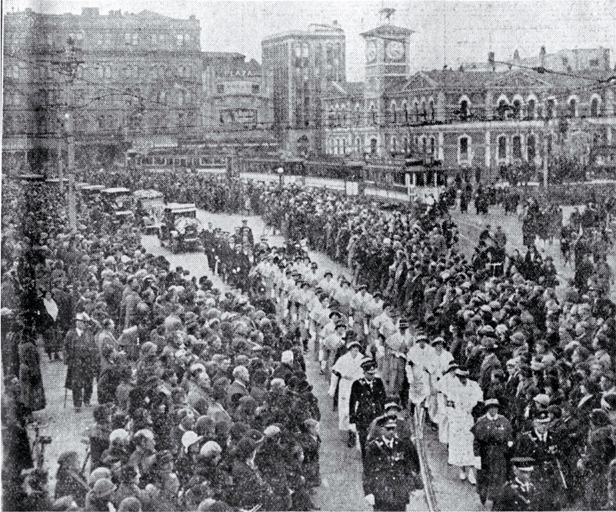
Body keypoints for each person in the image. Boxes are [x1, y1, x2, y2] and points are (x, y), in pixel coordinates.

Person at [363, 416, 421, 511]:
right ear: (381, 429)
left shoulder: (401, 445)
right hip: (381, 493)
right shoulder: (374, 447)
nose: (391, 431)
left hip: (399, 493)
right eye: (388, 429)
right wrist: (368, 492)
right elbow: (367, 472)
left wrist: (417, 485)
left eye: (393, 428)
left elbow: (408, 467)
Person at [513, 410, 567, 510]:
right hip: (534, 477)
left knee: (554, 506)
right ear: (534, 423)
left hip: (552, 478)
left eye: (546, 423)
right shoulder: (525, 439)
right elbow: (517, 460)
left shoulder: (554, 436)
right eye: (541, 423)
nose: (544, 426)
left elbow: (562, 456)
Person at [471, 398, 514, 506]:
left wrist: (509, 442)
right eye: (491, 408)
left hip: (499, 453)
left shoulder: (504, 420)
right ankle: (482, 495)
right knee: (484, 476)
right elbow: (476, 441)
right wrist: (477, 456)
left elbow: (509, 435)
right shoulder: (481, 421)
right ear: (487, 409)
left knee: (498, 476)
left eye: (495, 407)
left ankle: (494, 499)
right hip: (485, 453)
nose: (493, 410)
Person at [446, 367, 483, 484]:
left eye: (464, 377)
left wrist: (473, 407)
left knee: (470, 445)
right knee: (459, 445)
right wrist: (453, 417)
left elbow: (479, 398)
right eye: (460, 377)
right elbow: (449, 404)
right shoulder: (452, 387)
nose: (462, 380)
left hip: (469, 419)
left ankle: (471, 472)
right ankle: (462, 469)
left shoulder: (473, 385)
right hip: (457, 419)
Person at [329, 340, 365, 447]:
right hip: (345, 384)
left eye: (357, 348)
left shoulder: (362, 359)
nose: (356, 350)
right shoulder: (343, 359)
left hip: (357, 385)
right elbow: (335, 373)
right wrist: (332, 388)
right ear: (350, 349)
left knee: (355, 409)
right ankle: (346, 432)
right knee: (344, 410)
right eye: (354, 348)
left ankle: (353, 434)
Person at [349, 358, 387, 456]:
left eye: (373, 373)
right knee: (364, 441)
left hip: (377, 415)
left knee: (377, 440)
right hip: (363, 417)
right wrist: (352, 419)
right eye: (370, 374)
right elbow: (352, 402)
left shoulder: (378, 382)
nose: (372, 376)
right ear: (364, 372)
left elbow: (383, 398)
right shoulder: (357, 384)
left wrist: (383, 413)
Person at [64, 312, 99, 412]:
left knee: (89, 382)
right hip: (76, 363)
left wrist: (89, 318)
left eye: (82, 322)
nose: (79, 324)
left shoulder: (89, 332)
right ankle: (77, 405)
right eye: (77, 322)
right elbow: (65, 348)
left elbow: (97, 326)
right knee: (77, 384)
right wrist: (67, 360)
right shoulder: (70, 334)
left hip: (88, 362)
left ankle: (87, 400)